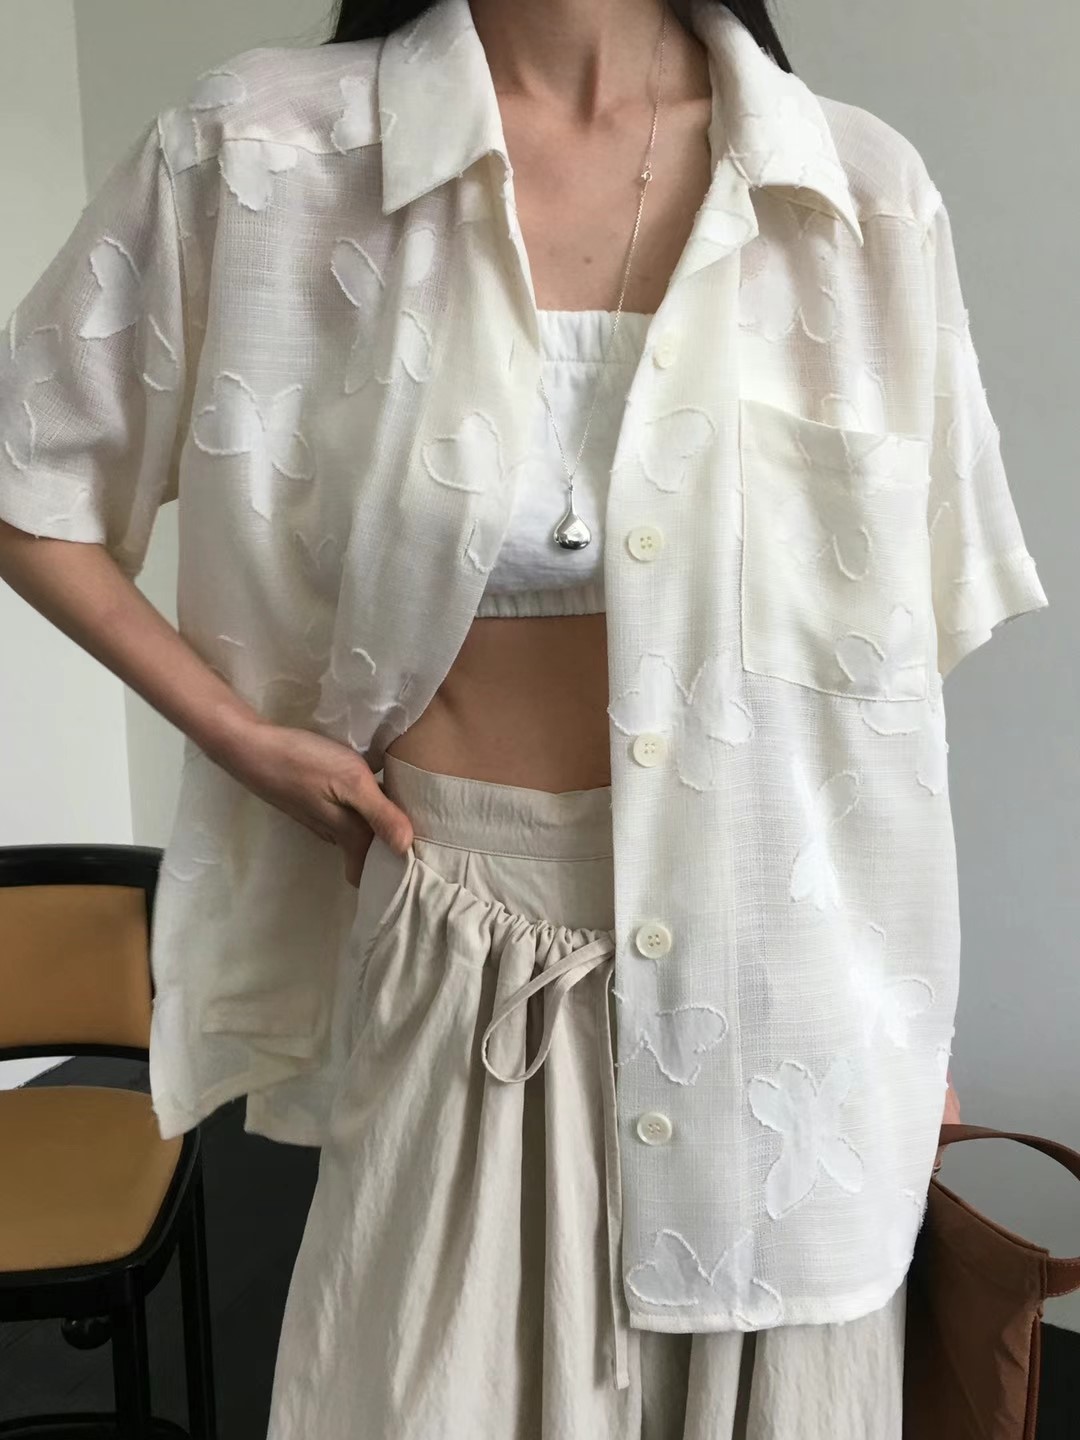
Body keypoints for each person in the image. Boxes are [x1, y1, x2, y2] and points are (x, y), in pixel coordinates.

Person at [0, 0, 1046, 1436]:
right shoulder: (262, 156)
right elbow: (31, 481)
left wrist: (909, 1030)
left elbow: (888, 694)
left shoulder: (858, 194)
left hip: (786, 996)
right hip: (456, 947)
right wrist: (245, 740)